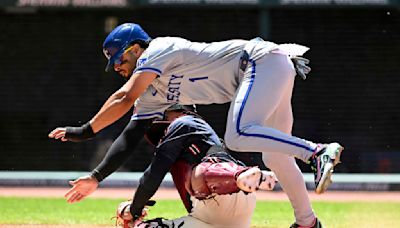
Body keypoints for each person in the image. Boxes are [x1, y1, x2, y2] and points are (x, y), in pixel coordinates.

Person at [49, 23, 343, 227]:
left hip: (258, 62)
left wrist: (84, 132)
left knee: (238, 135)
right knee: (276, 155)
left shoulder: (158, 49)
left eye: (119, 57)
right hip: (268, 68)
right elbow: (130, 136)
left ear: (137, 48)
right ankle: (308, 222)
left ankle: (317, 152)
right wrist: (96, 177)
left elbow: (124, 97)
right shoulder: (153, 93)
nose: (116, 66)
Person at [66, 105, 278, 228]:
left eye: (163, 119)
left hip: (225, 188)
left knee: (198, 174)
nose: (161, 132)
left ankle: (242, 176)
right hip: (212, 216)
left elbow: (153, 175)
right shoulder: (190, 138)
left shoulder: (185, 122)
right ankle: (241, 177)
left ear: (178, 111)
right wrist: (135, 220)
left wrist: (134, 208)